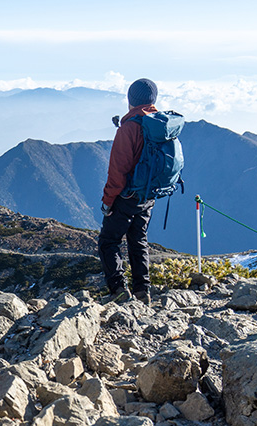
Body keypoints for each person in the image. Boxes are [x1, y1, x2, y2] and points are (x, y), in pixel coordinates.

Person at [98, 78, 160, 305]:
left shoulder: (130, 127)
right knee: (138, 239)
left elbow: (117, 172)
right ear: (153, 100)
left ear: (130, 100)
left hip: (127, 195)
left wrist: (108, 201)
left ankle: (119, 292)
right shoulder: (158, 124)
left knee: (108, 241)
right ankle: (143, 292)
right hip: (149, 195)